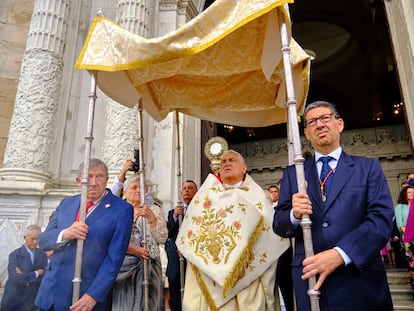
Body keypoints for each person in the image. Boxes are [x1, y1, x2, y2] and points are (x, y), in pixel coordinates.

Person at [273, 101, 394, 311]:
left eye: (325, 118)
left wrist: (341, 253)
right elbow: (279, 224)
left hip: (358, 277)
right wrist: (294, 214)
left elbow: (380, 220)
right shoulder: (294, 174)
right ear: (307, 133)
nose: (319, 125)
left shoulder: (368, 168)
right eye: (312, 122)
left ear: (340, 124)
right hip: (311, 280)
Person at [177, 150, 289, 310]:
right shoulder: (206, 197)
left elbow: (272, 236)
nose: (227, 163)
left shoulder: (258, 197)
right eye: (223, 162)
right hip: (210, 275)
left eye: (232, 160)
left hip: (247, 275)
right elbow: (193, 228)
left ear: (244, 168)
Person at [34, 158, 133, 311]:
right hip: (50, 294)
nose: (93, 182)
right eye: (88, 177)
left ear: (107, 179)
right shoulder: (67, 203)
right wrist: (65, 233)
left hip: (85, 297)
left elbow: (114, 259)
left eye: (99, 176)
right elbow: (44, 240)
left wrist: (93, 295)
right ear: (79, 181)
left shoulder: (122, 210)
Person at [111, 175, 168, 311]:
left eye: (141, 188)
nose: (138, 191)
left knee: (148, 304)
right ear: (124, 193)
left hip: (149, 266)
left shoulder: (154, 210)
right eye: (134, 187)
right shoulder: (116, 211)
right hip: (122, 267)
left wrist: (152, 219)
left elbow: (162, 238)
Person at [166, 180, 198, 311]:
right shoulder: (173, 212)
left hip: (192, 261)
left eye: (190, 188)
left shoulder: (200, 211)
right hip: (175, 261)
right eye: (184, 188)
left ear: (196, 192)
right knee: (176, 298)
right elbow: (168, 232)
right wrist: (174, 216)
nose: (187, 191)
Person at [0, 224, 48, 311]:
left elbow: (45, 278)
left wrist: (24, 276)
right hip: (14, 301)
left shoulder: (42, 255)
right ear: (25, 237)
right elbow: (14, 278)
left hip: (31, 302)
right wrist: (36, 273)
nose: (35, 242)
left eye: (38, 239)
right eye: (32, 239)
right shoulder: (15, 255)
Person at [269, 185, 295, 311]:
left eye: (275, 191)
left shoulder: (281, 209)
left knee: (285, 280)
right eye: (271, 192)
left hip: (284, 249)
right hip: (269, 252)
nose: (273, 194)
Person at [394, 185, 414, 296]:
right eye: (409, 192)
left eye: (413, 192)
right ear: (405, 194)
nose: (412, 194)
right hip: (409, 240)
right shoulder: (400, 207)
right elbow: (400, 225)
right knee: (412, 265)